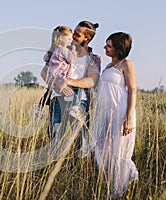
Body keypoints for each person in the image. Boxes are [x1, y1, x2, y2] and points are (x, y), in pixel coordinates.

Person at [41, 21, 101, 157]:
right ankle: (53, 170)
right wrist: (58, 86)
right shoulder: (61, 50)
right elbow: (44, 72)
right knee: (54, 139)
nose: (73, 36)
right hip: (57, 99)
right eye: (73, 32)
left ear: (87, 38)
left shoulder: (93, 59)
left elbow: (92, 80)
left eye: (77, 35)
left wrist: (68, 82)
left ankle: (79, 171)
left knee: (82, 142)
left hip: (79, 102)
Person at [93, 32, 138, 198]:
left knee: (118, 152)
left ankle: (118, 192)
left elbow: (132, 90)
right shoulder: (107, 67)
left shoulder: (126, 64)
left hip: (120, 113)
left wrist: (129, 117)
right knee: (101, 147)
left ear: (118, 49)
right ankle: (118, 181)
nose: (105, 47)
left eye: (109, 45)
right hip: (105, 114)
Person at [36, 25, 81, 120]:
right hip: (61, 75)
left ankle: (39, 107)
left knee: (48, 91)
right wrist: (73, 50)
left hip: (54, 75)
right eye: (68, 38)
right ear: (61, 38)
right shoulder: (63, 50)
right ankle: (74, 107)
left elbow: (46, 59)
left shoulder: (54, 50)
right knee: (77, 89)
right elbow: (72, 60)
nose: (70, 41)